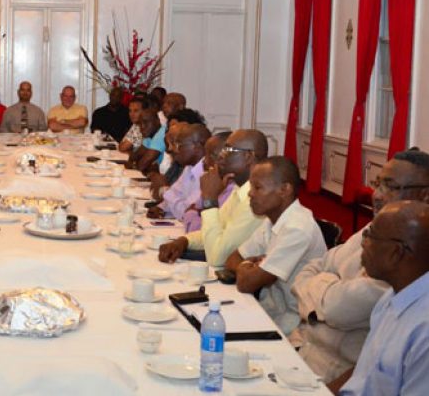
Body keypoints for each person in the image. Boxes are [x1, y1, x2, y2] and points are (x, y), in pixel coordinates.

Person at [291, 150, 429, 383]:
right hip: (298, 348)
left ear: (425, 196)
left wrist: (324, 284)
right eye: (377, 184)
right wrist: (331, 287)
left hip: (328, 372)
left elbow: (337, 308)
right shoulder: (376, 230)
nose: (376, 195)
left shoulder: (410, 260)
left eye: (390, 186)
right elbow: (308, 270)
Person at [221, 156, 326, 335]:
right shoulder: (271, 220)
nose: (250, 193)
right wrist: (250, 266)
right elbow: (231, 259)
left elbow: (247, 283)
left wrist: (251, 269)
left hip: (295, 324)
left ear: (284, 190)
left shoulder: (297, 228)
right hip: (268, 310)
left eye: (258, 187)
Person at [335, 201, 429, 395]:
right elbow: (365, 373)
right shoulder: (392, 297)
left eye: (371, 235)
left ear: (396, 253)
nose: (363, 242)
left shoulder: (423, 331)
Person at [159, 129, 267, 267]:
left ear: (248, 157)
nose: (221, 157)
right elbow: (211, 232)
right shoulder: (239, 190)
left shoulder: (255, 201)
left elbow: (217, 258)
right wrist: (183, 241)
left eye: (228, 150)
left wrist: (209, 199)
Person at [148, 124, 210, 221]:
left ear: (197, 148)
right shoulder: (189, 167)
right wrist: (162, 208)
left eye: (179, 145)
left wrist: (164, 189)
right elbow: (176, 194)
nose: (174, 149)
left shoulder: (207, 174)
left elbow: (186, 211)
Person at [181, 131, 234, 232]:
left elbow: (200, 231)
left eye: (211, 156)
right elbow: (191, 208)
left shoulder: (232, 191)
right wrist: (194, 213)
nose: (204, 161)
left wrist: (192, 214)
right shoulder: (213, 182)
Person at [126, 96, 164, 174]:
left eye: (146, 122)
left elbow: (142, 164)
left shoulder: (161, 135)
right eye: (140, 124)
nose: (142, 127)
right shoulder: (149, 137)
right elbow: (134, 157)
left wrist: (136, 165)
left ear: (158, 121)